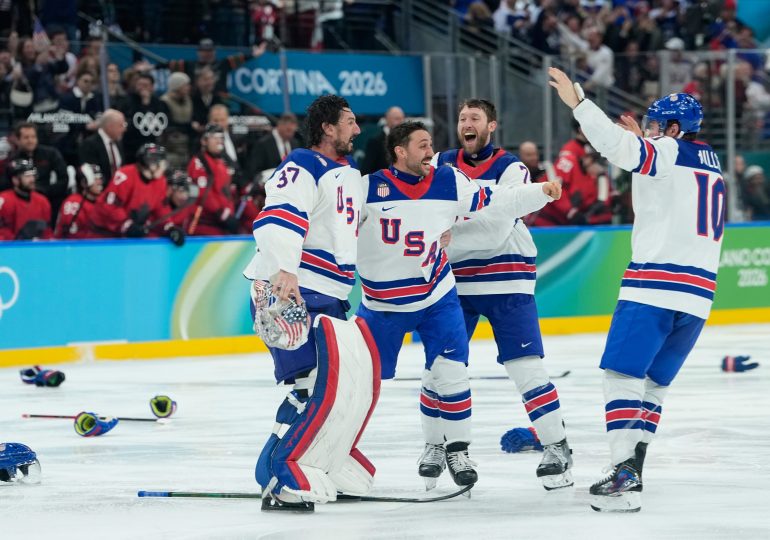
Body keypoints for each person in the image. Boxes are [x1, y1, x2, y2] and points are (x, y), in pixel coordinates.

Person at [548, 68, 725, 512]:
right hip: (698, 296)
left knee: (621, 376)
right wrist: (646, 144)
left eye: (654, 125)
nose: (648, 131)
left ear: (672, 128)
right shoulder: (710, 162)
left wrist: (579, 102)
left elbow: (615, 147)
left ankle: (624, 470)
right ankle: (635, 465)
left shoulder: (668, 149)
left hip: (655, 287)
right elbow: (655, 172)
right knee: (653, 387)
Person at [356, 121, 562, 490]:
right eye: (422, 145)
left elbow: (501, 205)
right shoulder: (368, 188)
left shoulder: (451, 179)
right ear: (400, 151)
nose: (429, 152)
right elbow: (334, 227)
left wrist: (541, 193)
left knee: (453, 372)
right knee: (364, 383)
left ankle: (459, 449)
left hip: (443, 293)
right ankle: (397, 447)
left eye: (430, 144)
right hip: (383, 302)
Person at [432, 99, 574, 490]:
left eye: (474, 118)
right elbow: (428, 214)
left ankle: (557, 447)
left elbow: (497, 227)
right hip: (455, 282)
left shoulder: (511, 167)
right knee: (440, 369)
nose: (466, 123)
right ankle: (446, 448)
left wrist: (452, 233)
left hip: (507, 278)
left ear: (490, 126)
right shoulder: (442, 162)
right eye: (462, 118)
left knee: (525, 367)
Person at [243, 95, 375, 511]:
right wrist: (285, 269)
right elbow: (276, 217)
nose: (357, 130)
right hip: (290, 288)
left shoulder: (349, 174)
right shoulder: (302, 166)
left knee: (345, 385)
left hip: (329, 294)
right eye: (350, 122)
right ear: (327, 128)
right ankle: (280, 471)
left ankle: (323, 459)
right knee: (310, 385)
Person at [93, 143, 184, 246]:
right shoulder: (125, 175)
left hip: (130, 233)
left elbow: (161, 208)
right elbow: (109, 207)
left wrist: (169, 227)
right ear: (146, 163)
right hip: (104, 234)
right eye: (157, 161)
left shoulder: (160, 181)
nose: (162, 166)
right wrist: (126, 225)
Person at [5, 122, 69, 225]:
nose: (30, 141)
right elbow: (7, 183)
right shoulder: (12, 159)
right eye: (26, 137)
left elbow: (64, 179)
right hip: (21, 200)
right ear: (18, 140)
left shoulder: (51, 153)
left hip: (49, 198)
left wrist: (43, 191)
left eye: (33, 137)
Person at [185, 123, 238, 236]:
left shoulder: (222, 164)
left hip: (221, 225)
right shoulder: (198, 162)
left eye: (221, 138)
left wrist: (229, 213)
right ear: (204, 141)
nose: (219, 141)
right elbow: (204, 194)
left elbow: (225, 192)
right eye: (214, 137)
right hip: (204, 225)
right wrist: (223, 214)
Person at [0, 159, 52, 241]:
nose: (32, 180)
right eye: (27, 176)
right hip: (12, 250)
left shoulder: (42, 201)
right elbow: (2, 234)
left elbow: (47, 233)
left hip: (38, 249)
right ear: (15, 180)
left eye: (33, 176)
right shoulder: (4, 201)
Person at [54, 164, 108, 239]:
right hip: (77, 247)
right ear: (84, 182)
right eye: (95, 179)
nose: (100, 182)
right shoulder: (73, 203)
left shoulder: (105, 200)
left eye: (100, 178)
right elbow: (71, 235)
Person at [79, 109, 127, 184]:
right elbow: (92, 174)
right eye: (121, 125)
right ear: (110, 126)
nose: (124, 129)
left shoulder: (118, 143)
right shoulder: (89, 145)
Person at [361, 106, 405, 175]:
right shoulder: (375, 142)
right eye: (397, 119)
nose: (401, 122)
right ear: (387, 119)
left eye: (402, 119)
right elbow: (366, 170)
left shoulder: (406, 141)